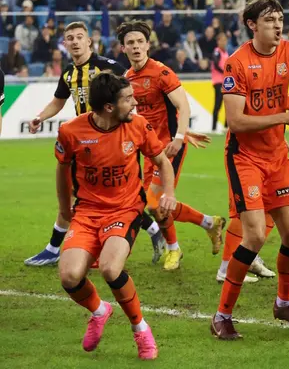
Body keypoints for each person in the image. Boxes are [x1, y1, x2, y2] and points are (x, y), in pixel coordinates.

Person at [211, 0, 289, 339]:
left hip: (278, 157)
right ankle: (221, 315)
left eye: (280, 19)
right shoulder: (237, 63)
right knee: (257, 235)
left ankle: (283, 303)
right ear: (252, 24)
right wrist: (285, 116)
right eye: (270, 20)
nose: (278, 25)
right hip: (245, 158)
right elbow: (236, 121)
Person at [24, 22, 165, 267]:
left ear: (90, 41)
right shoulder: (68, 73)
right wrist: (40, 117)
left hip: (116, 140)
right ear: (65, 44)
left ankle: (55, 247)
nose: (75, 41)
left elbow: (131, 97)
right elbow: (59, 101)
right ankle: (152, 229)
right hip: (84, 142)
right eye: (70, 38)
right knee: (97, 195)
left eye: (80, 37)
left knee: (100, 195)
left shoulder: (108, 67)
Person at [56, 73, 176, 360]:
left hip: (125, 208)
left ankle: (140, 329)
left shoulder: (138, 126)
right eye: (127, 99)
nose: (134, 103)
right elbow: (62, 170)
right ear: (109, 107)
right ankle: (99, 311)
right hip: (86, 212)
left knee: (111, 269)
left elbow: (162, 161)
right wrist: (64, 208)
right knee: (69, 276)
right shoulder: (71, 131)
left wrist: (168, 193)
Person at [118, 20, 225, 271]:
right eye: (130, 43)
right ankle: (209, 223)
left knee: (154, 204)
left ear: (147, 44)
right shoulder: (126, 78)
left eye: (139, 42)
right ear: (123, 48)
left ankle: (174, 249)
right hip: (148, 150)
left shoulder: (161, 73)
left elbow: (183, 106)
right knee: (147, 204)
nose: (135, 47)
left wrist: (180, 136)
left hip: (169, 148)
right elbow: (132, 117)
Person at [211, 31, 229, 133]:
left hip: (226, 82)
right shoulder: (217, 51)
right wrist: (225, 71)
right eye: (222, 40)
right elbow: (216, 64)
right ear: (218, 41)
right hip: (218, 81)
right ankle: (214, 128)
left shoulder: (225, 52)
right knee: (218, 104)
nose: (224, 42)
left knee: (228, 104)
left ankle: (226, 126)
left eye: (225, 40)